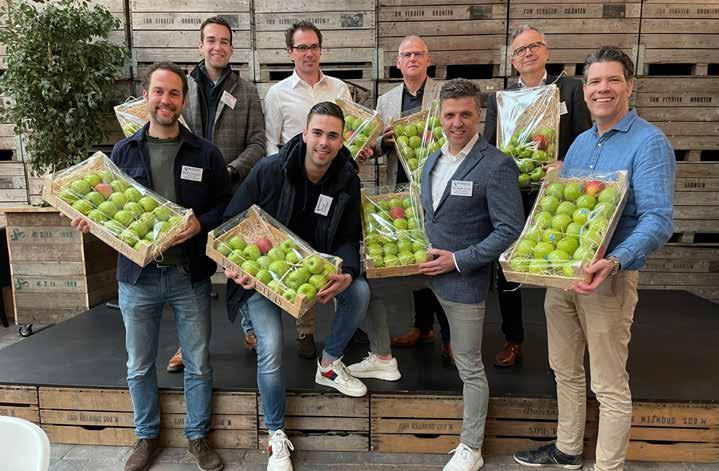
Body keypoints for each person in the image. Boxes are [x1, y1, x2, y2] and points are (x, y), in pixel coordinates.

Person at [514, 47, 675, 471]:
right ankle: (568, 450)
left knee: (608, 383)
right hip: (564, 277)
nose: (603, 89)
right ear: (584, 90)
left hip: (609, 280)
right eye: (595, 81)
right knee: (564, 370)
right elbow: (567, 210)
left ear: (629, 86)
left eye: (613, 80)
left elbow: (658, 219)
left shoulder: (649, 143)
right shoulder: (582, 144)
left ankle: (608, 466)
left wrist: (616, 260)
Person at [351, 79, 525, 471]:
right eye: (449, 115)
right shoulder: (430, 159)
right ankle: (382, 355)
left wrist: (458, 260)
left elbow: (509, 230)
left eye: (465, 114)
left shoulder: (497, 165)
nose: (457, 122)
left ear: (479, 115)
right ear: (439, 117)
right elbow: (426, 213)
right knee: (361, 287)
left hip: (463, 277)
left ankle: (471, 447)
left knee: (469, 365)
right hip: (421, 265)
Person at [71, 62, 231, 471]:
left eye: (174, 93)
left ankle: (198, 437)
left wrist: (200, 223)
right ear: (146, 97)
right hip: (137, 277)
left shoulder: (206, 153)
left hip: (189, 275)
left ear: (183, 100)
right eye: (158, 92)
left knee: (198, 363)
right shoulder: (123, 153)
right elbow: (110, 207)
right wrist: (89, 220)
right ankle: (146, 437)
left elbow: (226, 206)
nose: (165, 100)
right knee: (138, 365)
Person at [224, 101, 371, 471]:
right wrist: (234, 264)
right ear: (304, 133)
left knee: (359, 291)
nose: (323, 142)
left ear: (342, 140)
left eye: (332, 136)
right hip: (263, 275)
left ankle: (329, 363)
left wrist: (347, 270)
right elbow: (232, 221)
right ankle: (275, 433)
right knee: (272, 346)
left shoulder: (347, 179)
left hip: (312, 273)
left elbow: (349, 236)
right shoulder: (270, 170)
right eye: (317, 133)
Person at [484, 25, 592, 367]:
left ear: (546, 50)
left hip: (560, 194)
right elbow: (489, 146)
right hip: (512, 195)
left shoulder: (570, 89)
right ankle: (513, 338)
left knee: (563, 263)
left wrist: (567, 165)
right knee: (507, 267)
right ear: (513, 60)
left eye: (534, 46)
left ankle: (571, 344)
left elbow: (587, 139)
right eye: (520, 50)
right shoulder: (501, 99)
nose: (527, 53)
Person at [167, 15, 266, 374]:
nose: (217, 47)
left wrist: (231, 170)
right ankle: (188, 344)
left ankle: (251, 329)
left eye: (224, 41)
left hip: (233, 192)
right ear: (201, 45)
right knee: (191, 273)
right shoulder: (181, 87)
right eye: (211, 40)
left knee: (241, 261)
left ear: (231, 48)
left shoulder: (247, 91)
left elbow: (258, 143)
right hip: (189, 194)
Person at [262, 21, 353, 358]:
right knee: (302, 250)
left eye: (313, 46)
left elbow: (351, 135)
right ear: (290, 53)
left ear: (320, 50)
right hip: (294, 185)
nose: (308, 53)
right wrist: (281, 179)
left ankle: (346, 319)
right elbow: (270, 141)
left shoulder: (339, 89)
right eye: (301, 47)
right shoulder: (277, 93)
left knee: (336, 243)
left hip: (333, 182)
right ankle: (305, 328)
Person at [366, 34, 452, 360]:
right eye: (407, 55)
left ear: (428, 60)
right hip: (401, 188)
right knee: (416, 256)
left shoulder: (444, 93)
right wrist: (384, 142)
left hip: (440, 187)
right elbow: (373, 145)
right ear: (398, 63)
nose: (413, 59)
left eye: (418, 54)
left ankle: (450, 335)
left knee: (439, 257)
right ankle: (423, 326)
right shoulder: (386, 100)